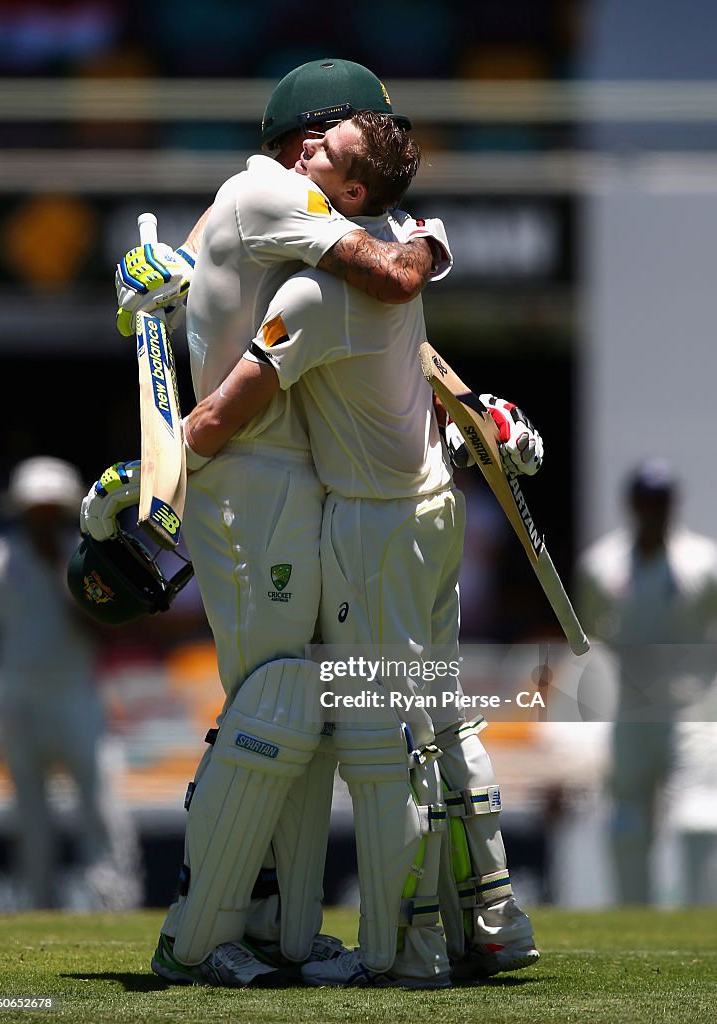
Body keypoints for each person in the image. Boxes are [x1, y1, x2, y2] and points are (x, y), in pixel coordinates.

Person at [81, 58, 452, 988]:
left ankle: (280, 932)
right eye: (355, 132)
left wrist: (155, 272)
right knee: (278, 705)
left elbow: (214, 244)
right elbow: (393, 278)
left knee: (297, 713)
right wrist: (431, 243)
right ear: (308, 141)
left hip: (284, 477)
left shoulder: (257, 197)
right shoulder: (275, 193)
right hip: (251, 479)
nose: (364, 155)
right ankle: (197, 936)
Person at [178, 110, 541, 986]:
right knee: (440, 717)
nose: (303, 151)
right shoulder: (408, 252)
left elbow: (221, 420)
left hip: (371, 530)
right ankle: (490, 921)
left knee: (385, 749)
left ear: (349, 190)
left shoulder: (318, 293)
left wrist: (143, 478)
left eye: (325, 151)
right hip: (431, 514)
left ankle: (402, 956)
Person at [0, 457, 142, 911]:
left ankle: (116, 900)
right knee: (29, 813)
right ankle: (35, 901)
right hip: (16, 698)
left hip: (75, 695)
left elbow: (101, 629)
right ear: (23, 512)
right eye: (36, 511)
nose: (44, 520)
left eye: (52, 510)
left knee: (100, 803)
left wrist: (59, 574)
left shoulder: (87, 557)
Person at [576, 457, 717, 904]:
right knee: (627, 826)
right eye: (646, 501)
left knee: (698, 822)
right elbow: (589, 632)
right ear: (631, 504)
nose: (654, 510)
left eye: (661, 501)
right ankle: (633, 924)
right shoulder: (601, 566)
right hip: (631, 712)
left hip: (690, 714)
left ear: (674, 504)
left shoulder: (704, 563)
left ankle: (700, 926)